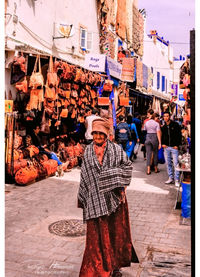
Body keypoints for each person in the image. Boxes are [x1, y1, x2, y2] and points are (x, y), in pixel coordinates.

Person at [78, 117, 139, 277]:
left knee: (115, 234)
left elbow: (127, 167)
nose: (97, 137)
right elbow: (85, 176)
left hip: (116, 202)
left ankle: (115, 266)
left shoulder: (116, 150)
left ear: (107, 134)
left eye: (101, 133)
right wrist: (84, 197)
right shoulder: (88, 151)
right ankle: (96, 267)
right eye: (95, 133)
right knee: (96, 239)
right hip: (94, 201)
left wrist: (109, 176)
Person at [161, 111, 182, 186]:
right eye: (164, 116)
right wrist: (163, 143)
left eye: (167, 116)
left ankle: (177, 179)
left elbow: (179, 135)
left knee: (176, 163)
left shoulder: (175, 125)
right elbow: (162, 136)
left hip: (174, 147)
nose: (166, 117)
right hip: (166, 147)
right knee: (168, 163)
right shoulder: (163, 127)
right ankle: (170, 178)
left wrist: (177, 145)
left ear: (169, 116)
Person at [144, 109, 161, 175]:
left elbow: (144, 130)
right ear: (155, 117)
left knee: (148, 154)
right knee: (155, 153)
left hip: (148, 136)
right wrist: (160, 142)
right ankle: (156, 168)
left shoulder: (146, 122)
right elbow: (158, 133)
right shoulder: (156, 123)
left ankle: (148, 170)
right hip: (154, 137)